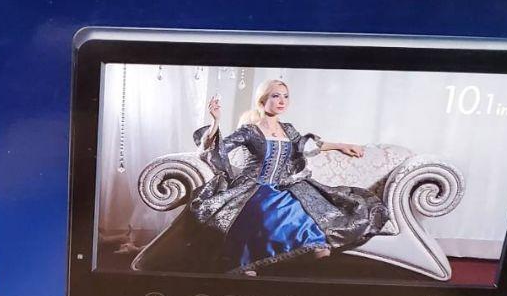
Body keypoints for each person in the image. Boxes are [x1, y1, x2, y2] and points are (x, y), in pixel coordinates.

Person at [134, 79, 389, 276]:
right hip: (252, 187)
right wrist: (215, 122)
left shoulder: (288, 129)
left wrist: (343, 145)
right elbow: (215, 149)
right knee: (264, 209)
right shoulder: (250, 131)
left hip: (285, 185)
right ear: (263, 100)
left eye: (285, 96)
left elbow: (308, 145)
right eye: (276, 96)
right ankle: (247, 264)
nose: (282, 101)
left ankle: (313, 260)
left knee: (313, 209)